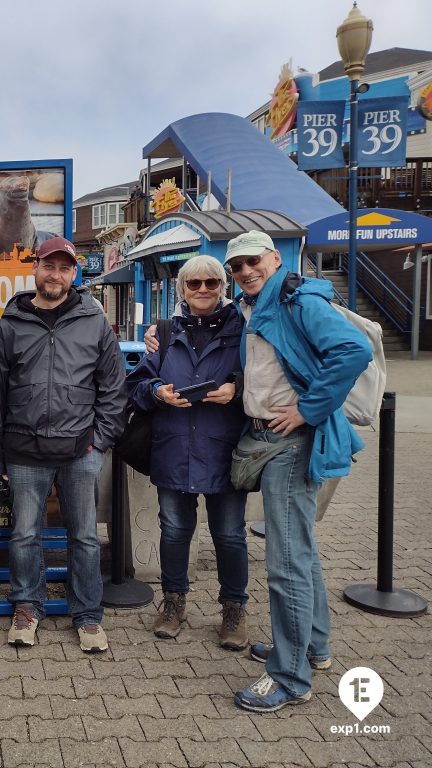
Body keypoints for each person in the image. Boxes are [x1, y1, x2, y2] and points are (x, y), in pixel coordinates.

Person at [220, 231, 370, 712]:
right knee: (300, 552)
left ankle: (289, 677)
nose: (244, 271)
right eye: (235, 265)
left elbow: (352, 350)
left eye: (251, 261)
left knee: (285, 564)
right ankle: (313, 647)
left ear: (273, 257)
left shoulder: (296, 297)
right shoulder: (261, 302)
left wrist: (308, 408)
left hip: (291, 441)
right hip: (274, 436)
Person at [0, 236, 126, 652]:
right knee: (25, 535)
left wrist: (97, 443)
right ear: (35, 269)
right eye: (49, 266)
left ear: (74, 273)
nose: (55, 275)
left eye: (64, 268)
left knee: (84, 536)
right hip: (23, 452)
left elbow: (113, 390)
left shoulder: (93, 321)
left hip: (80, 451)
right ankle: (27, 606)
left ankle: (88, 614)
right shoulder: (9, 324)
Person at [126, 256, 250, 649]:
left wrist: (237, 389)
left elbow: (269, 376)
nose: (202, 290)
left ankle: (233, 610)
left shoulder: (244, 330)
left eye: (211, 283)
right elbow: (137, 385)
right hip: (174, 448)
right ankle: (173, 604)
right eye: (193, 284)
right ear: (182, 289)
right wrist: (157, 392)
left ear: (222, 286)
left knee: (230, 535)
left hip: (225, 449)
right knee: (175, 532)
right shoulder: (163, 331)